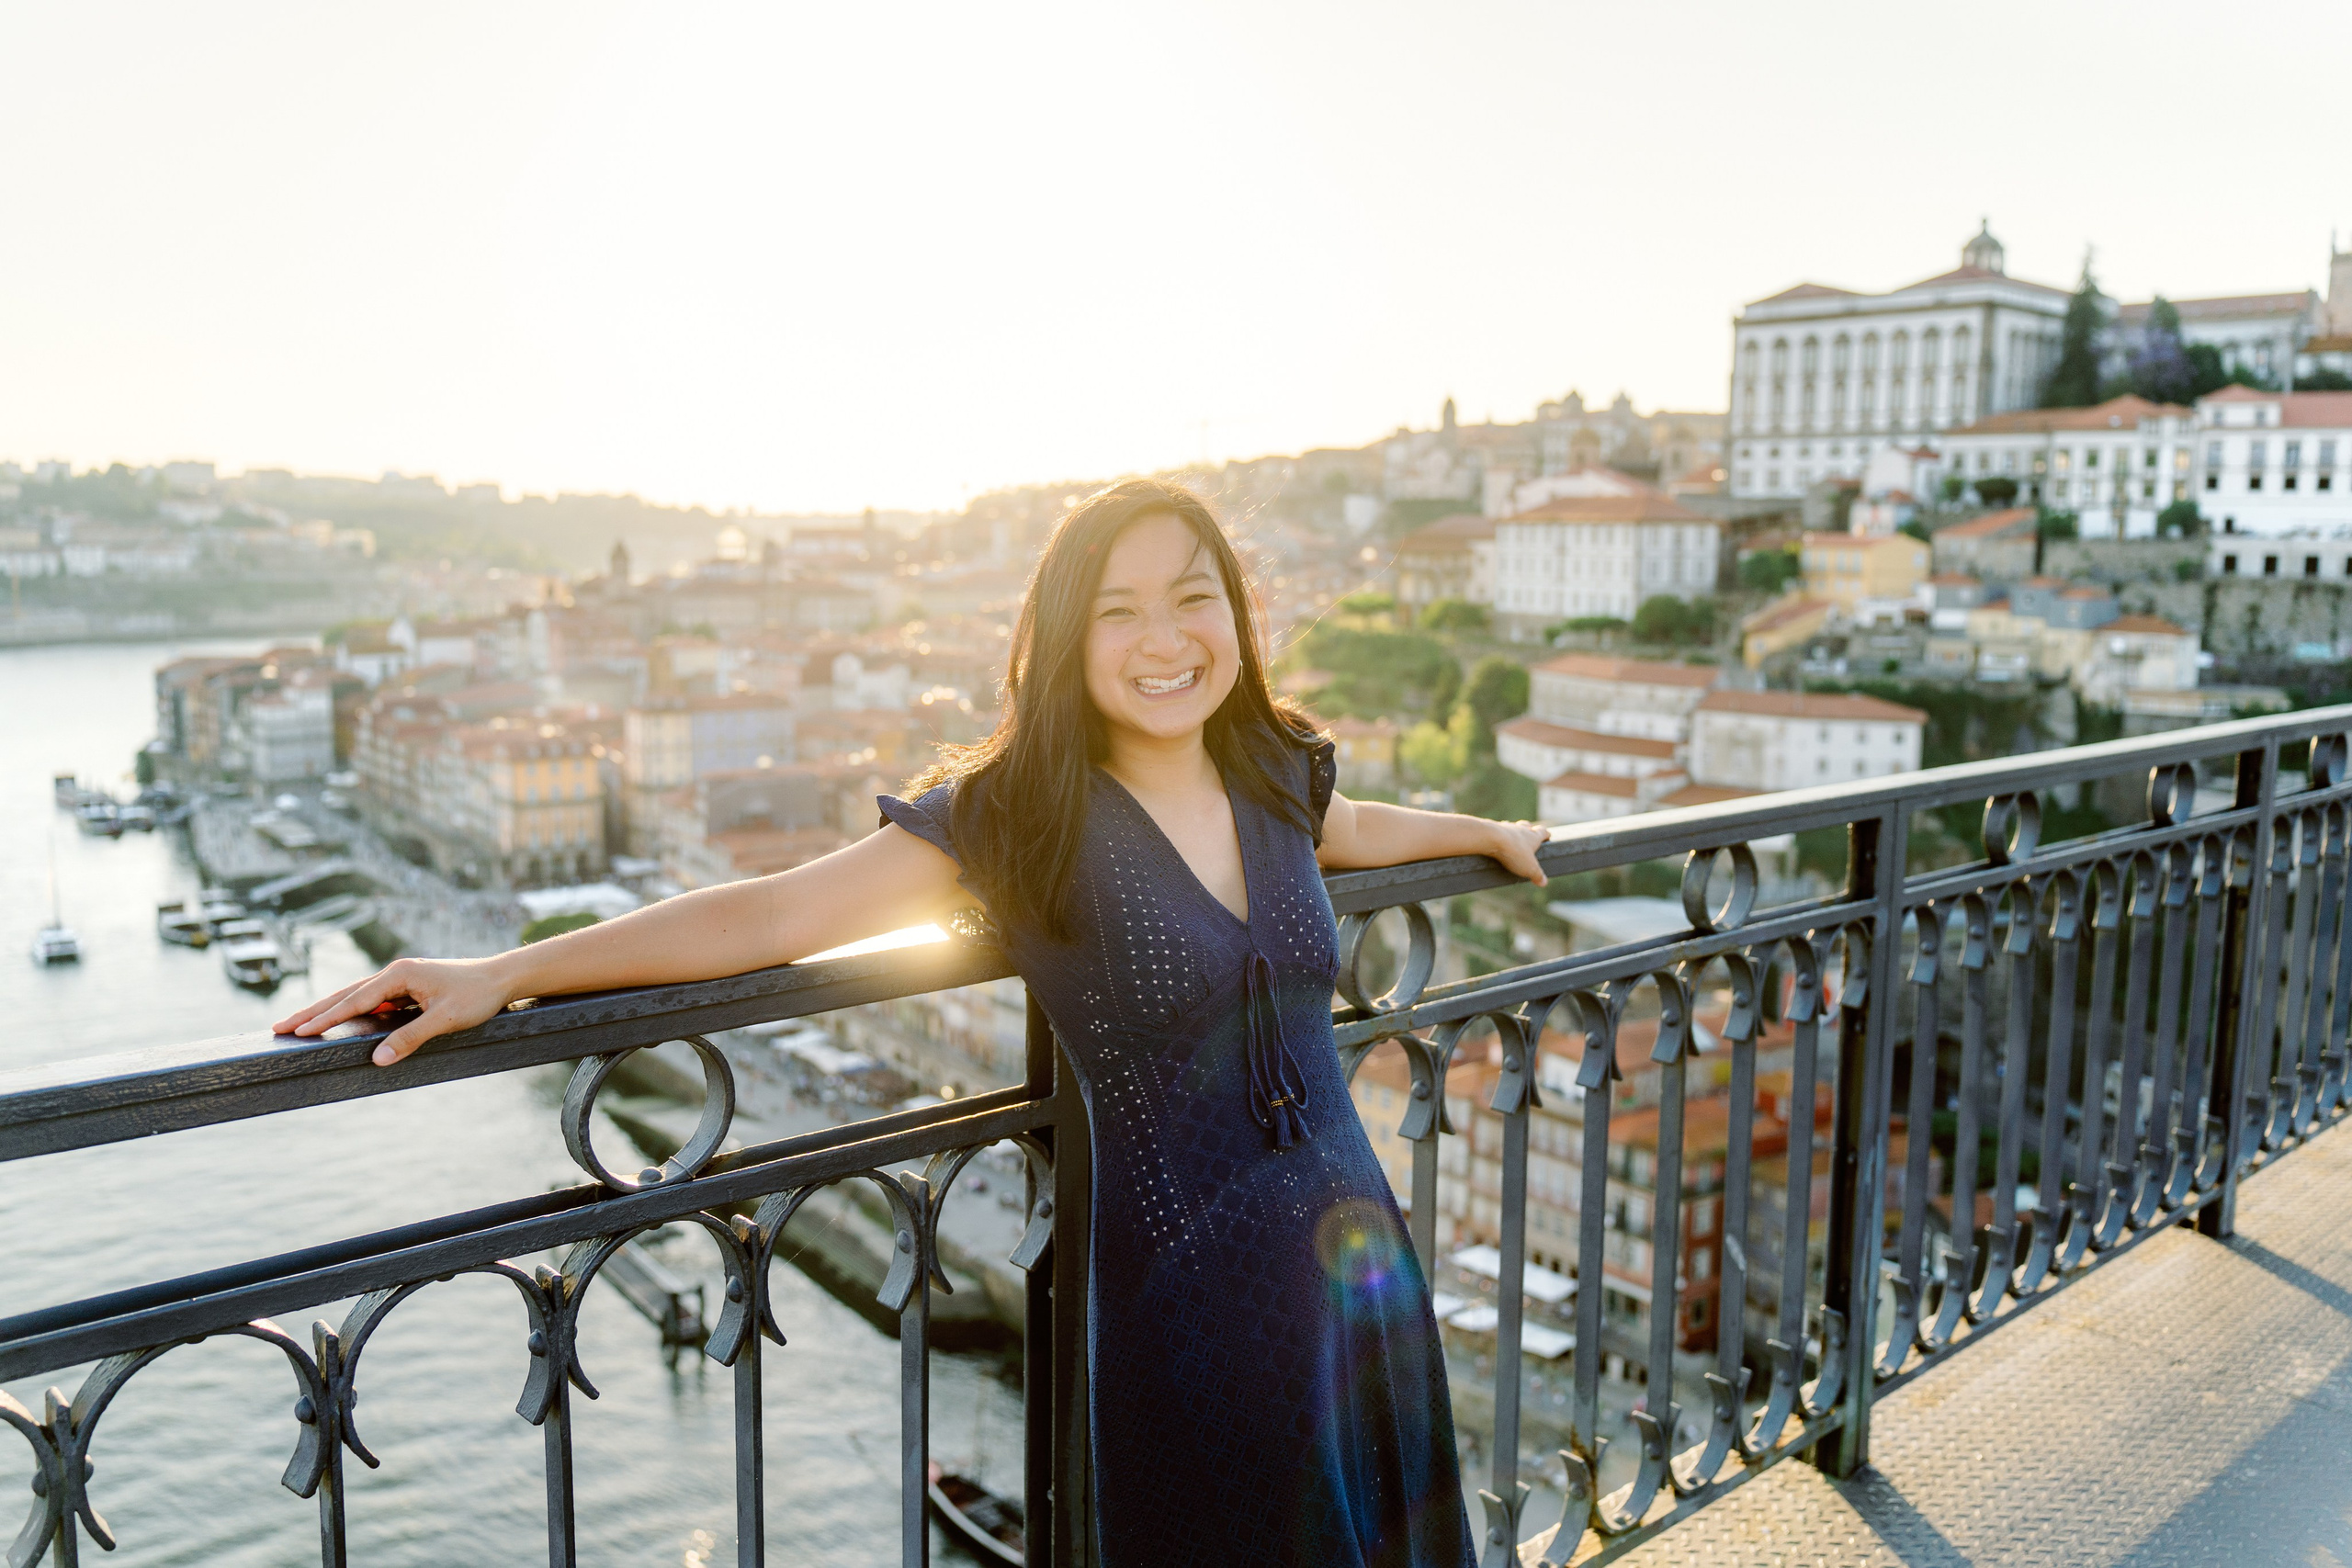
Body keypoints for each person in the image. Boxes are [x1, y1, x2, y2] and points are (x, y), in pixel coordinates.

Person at [277, 479, 1549, 1567]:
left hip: (1356, 1261)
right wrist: (508, 972)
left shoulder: (1273, 764)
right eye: (1119, 610)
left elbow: (1353, 831)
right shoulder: (1024, 813)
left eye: (1193, 595)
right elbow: (776, 915)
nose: (1164, 637)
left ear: (1238, 613)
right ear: (1064, 639)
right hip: (1198, 1301)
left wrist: (1485, 833)